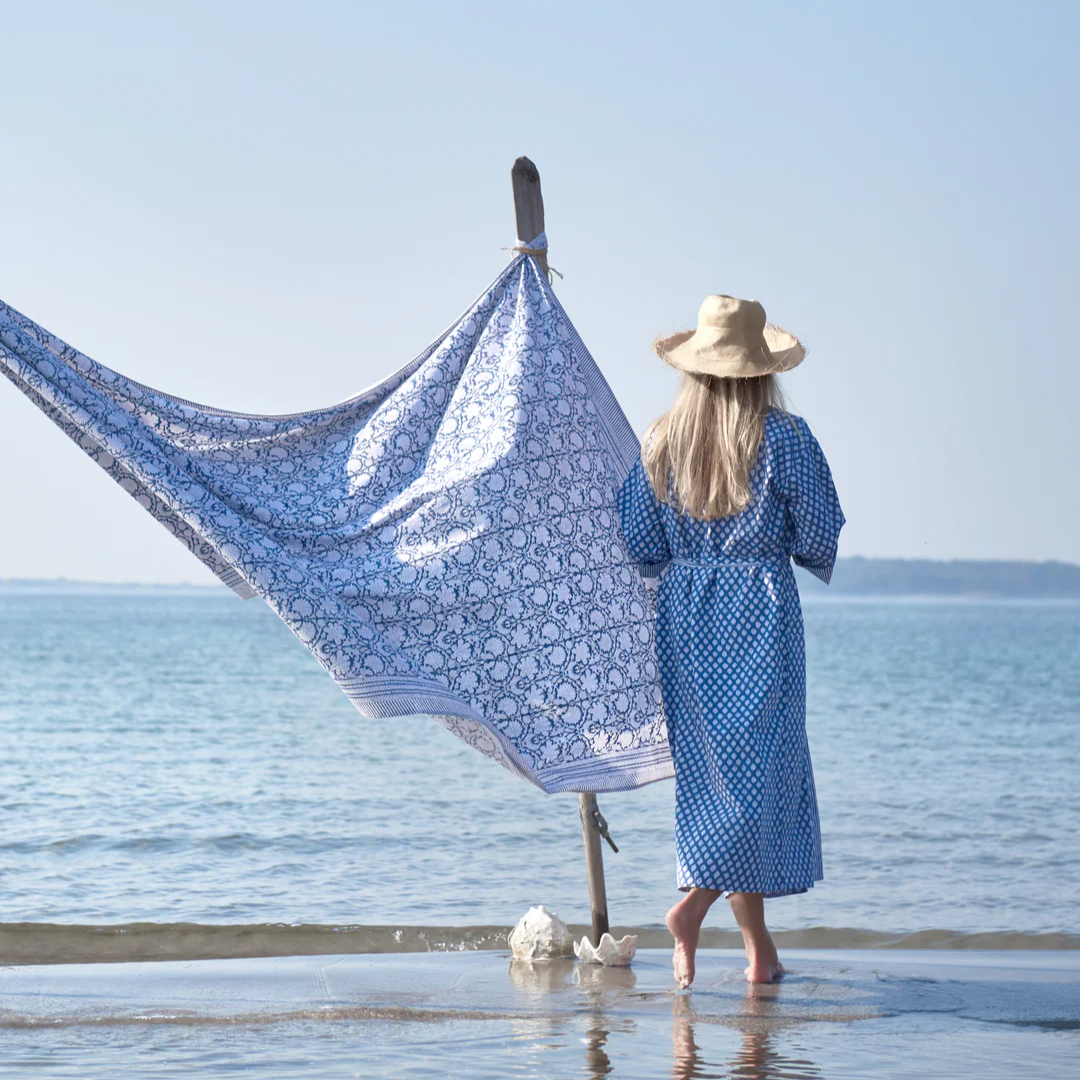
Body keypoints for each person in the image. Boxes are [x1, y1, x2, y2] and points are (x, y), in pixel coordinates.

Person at [616, 295, 845, 988]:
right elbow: (818, 535)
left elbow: (640, 543)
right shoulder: (786, 438)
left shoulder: (661, 440)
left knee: (719, 779)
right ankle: (691, 911)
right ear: (761, 371)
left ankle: (758, 953)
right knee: (759, 778)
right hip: (760, 613)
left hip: (687, 617)